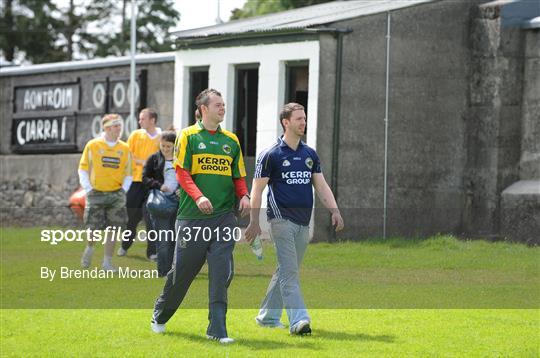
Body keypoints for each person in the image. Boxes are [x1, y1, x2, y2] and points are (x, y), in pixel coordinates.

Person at [151, 89, 250, 344]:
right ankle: (160, 315)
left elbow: (238, 175)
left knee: (221, 273)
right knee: (182, 274)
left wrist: (244, 196)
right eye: (218, 105)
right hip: (192, 218)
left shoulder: (231, 140)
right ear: (204, 109)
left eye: (224, 104)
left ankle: (217, 330)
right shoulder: (188, 136)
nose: (223, 108)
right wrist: (198, 197)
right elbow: (182, 174)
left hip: (224, 217)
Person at [245, 103, 344, 336]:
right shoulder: (270, 155)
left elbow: (321, 185)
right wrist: (254, 221)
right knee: (290, 272)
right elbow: (257, 190)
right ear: (286, 122)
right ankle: (299, 320)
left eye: (305, 118)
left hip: (303, 222)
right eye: (298, 119)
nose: (303, 122)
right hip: (280, 220)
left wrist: (335, 210)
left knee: (286, 270)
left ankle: (267, 317)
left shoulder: (310, 154)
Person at [78, 114, 133, 272]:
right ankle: (89, 248)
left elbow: (129, 172)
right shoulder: (93, 145)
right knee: (92, 227)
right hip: (96, 193)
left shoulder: (124, 148)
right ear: (107, 128)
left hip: (116, 194)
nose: (119, 129)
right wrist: (88, 188)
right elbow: (83, 168)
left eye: (119, 126)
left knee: (114, 229)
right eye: (116, 126)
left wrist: (123, 190)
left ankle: (107, 263)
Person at [119, 108, 162, 260]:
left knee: (151, 217)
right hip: (136, 182)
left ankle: (152, 252)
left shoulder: (162, 138)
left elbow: (162, 160)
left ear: (152, 120)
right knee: (132, 216)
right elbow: (126, 155)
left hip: (152, 184)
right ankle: (125, 245)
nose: (139, 121)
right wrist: (143, 163)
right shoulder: (135, 135)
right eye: (140, 119)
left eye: (142, 119)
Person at [143, 130, 179, 277]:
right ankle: (163, 271)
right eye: (163, 146)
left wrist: (182, 189)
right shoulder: (154, 159)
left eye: (168, 147)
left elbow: (191, 177)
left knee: (176, 239)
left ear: (175, 146)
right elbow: (145, 178)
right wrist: (159, 185)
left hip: (179, 203)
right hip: (160, 203)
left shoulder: (182, 159)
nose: (165, 149)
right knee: (163, 239)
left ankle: (176, 269)